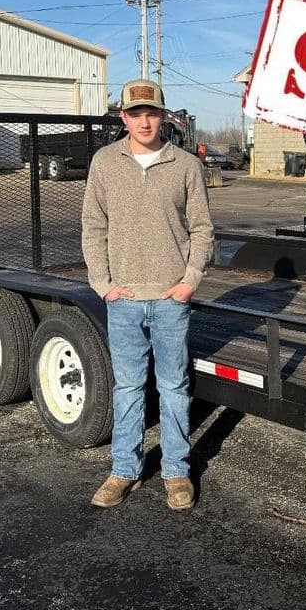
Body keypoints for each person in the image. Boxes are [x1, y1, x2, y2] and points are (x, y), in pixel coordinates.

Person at [81, 78, 214, 511]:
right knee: (128, 388)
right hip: (123, 300)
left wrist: (190, 280)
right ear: (123, 117)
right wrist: (103, 285)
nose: (144, 120)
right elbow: (93, 227)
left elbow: (202, 229)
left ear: (163, 116)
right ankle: (124, 469)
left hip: (171, 299)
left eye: (151, 112)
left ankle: (177, 472)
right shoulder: (104, 163)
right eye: (135, 113)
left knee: (174, 386)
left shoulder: (185, 165)